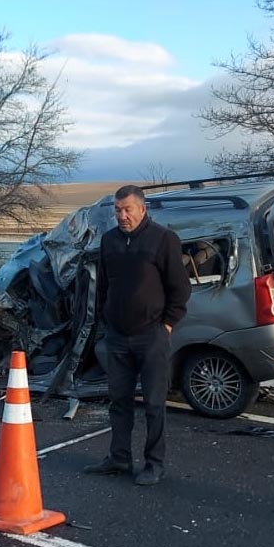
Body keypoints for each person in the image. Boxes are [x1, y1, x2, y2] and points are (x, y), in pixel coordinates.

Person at [84, 185, 191, 486]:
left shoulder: (163, 239)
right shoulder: (109, 241)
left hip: (152, 336)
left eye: (127, 209)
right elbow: (104, 285)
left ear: (142, 209)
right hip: (117, 336)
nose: (122, 215)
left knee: (155, 404)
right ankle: (119, 457)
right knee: (119, 400)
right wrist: (106, 319)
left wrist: (167, 324)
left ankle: (154, 463)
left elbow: (180, 289)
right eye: (117, 210)